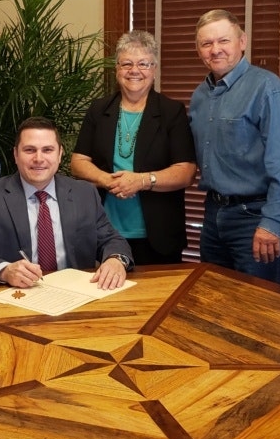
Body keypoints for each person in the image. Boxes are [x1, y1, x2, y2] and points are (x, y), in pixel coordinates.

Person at [0, 116, 133, 289]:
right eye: (29, 150)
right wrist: (4, 271)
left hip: (76, 294)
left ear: (60, 154)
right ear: (16, 155)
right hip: (16, 296)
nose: (39, 159)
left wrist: (116, 259)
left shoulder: (84, 193)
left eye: (47, 150)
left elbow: (111, 239)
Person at [190, 8, 280, 285]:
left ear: (243, 42)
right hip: (214, 216)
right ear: (199, 50)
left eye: (223, 41)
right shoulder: (200, 96)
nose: (215, 50)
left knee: (260, 311)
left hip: (256, 219)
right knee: (214, 300)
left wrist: (272, 224)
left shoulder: (268, 90)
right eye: (207, 43)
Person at [70, 30, 196, 264]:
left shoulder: (172, 112)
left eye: (143, 64)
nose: (134, 71)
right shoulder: (99, 110)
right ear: (117, 69)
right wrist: (107, 180)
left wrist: (141, 181)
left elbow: (186, 171)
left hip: (158, 236)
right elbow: (78, 162)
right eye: (126, 63)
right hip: (105, 232)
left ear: (154, 70)